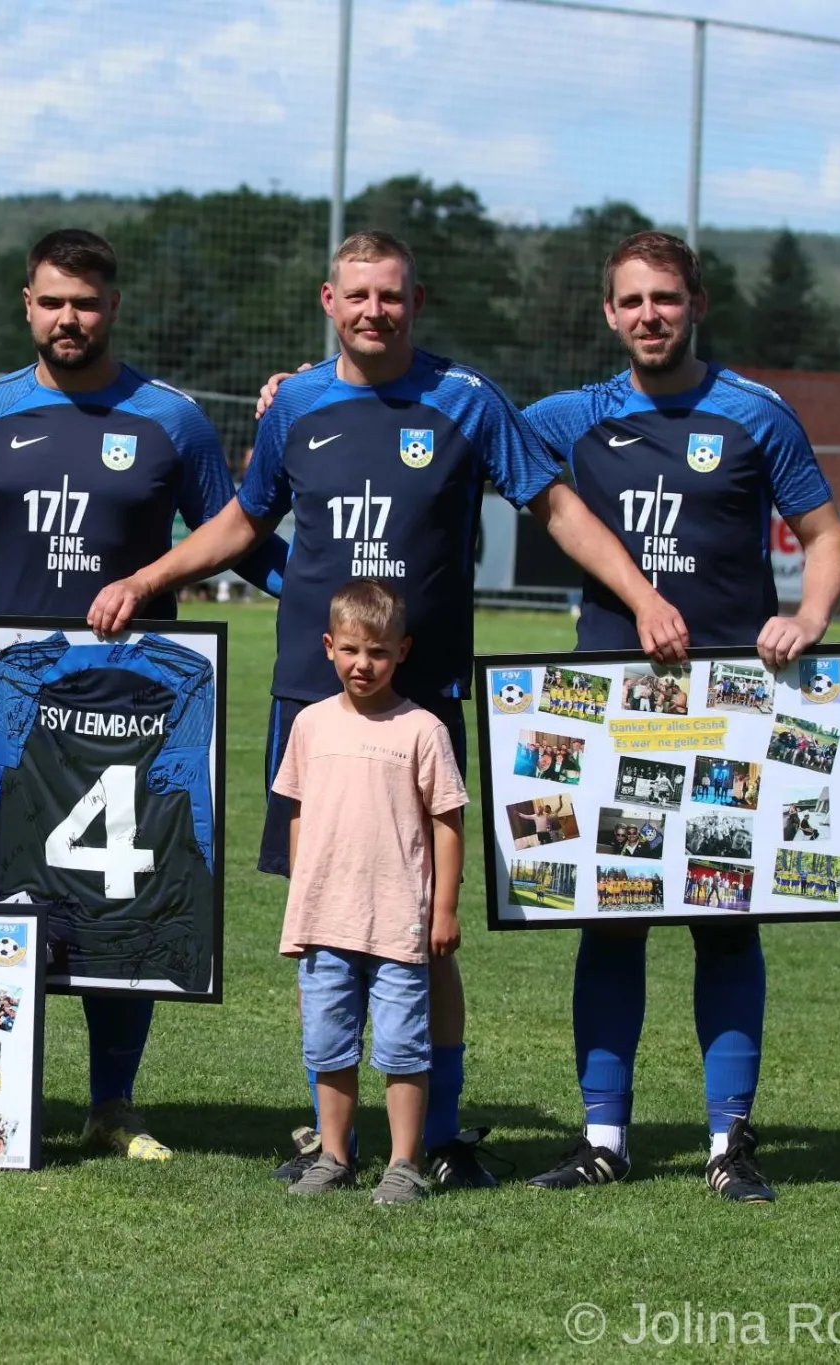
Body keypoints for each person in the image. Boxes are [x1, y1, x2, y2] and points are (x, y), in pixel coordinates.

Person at [91, 229, 685, 1188]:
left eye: (393, 295)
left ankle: (434, 1135)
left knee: (422, 925)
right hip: (310, 703)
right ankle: (332, 1140)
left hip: (424, 702)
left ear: (418, 300)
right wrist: (146, 576)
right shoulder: (298, 405)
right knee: (322, 915)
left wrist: (645, 595)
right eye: (359, 294)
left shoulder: (466, 399)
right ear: (329, 300)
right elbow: (244, 520)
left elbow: (556, 507)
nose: (376, 310)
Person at [0, 228, 284, 1161]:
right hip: (11, 716)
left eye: (85, 303)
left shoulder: (171, 421)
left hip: (133, 717)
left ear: (113, 307)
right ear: (27, 304)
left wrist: (333, 596)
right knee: (8, 896)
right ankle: (3, 1098)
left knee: (124, 899)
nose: (69, 318)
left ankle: (112, 1103)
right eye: (52, 301)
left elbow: (239, 532)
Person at [520, 230, 840, 1204]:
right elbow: (446, 420)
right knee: (611, 926)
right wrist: (298, 387)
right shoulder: (571, 418)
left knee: (724, 926)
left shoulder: (754, 413)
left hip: (728, 713)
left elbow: (826, 535)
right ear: (607, 313)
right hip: (612, 712)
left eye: (664, 298)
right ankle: (602, 1139)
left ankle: (727, 1141)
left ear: (695, 304)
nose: (648, 316)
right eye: (630, 301)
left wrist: (808, 617)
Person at [275, 580, 466, 1202]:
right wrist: (301, 895)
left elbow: (448, 822)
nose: (364, 664)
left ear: (402, 651)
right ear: (329, 646)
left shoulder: (423, 729)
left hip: (397, 922)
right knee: (328, 1042)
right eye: (352, 649)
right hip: (325, 919)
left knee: (403, 1047)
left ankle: (405, 1163)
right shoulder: (309, 725)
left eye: (379, 652)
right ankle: (334, 1155)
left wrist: (443, 908)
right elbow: (298, 813)